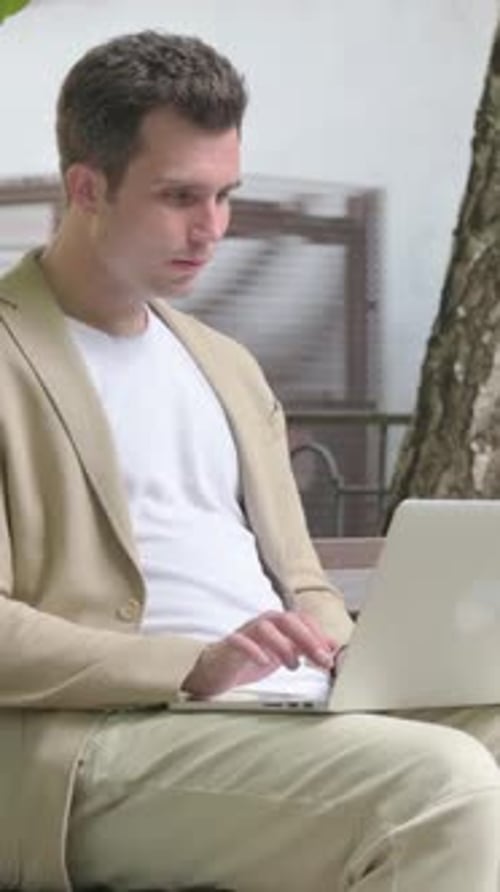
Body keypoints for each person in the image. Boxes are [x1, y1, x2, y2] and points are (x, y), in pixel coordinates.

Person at [1, 28, 500, 892]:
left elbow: (303, 581)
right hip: (91, 742)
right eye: (179, 196)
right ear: (87, 187)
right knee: (438, 789)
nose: (213, 229)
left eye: (226, 194)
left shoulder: (224, 365)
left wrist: (354, 654)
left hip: (281, 710)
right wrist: (193, 662)